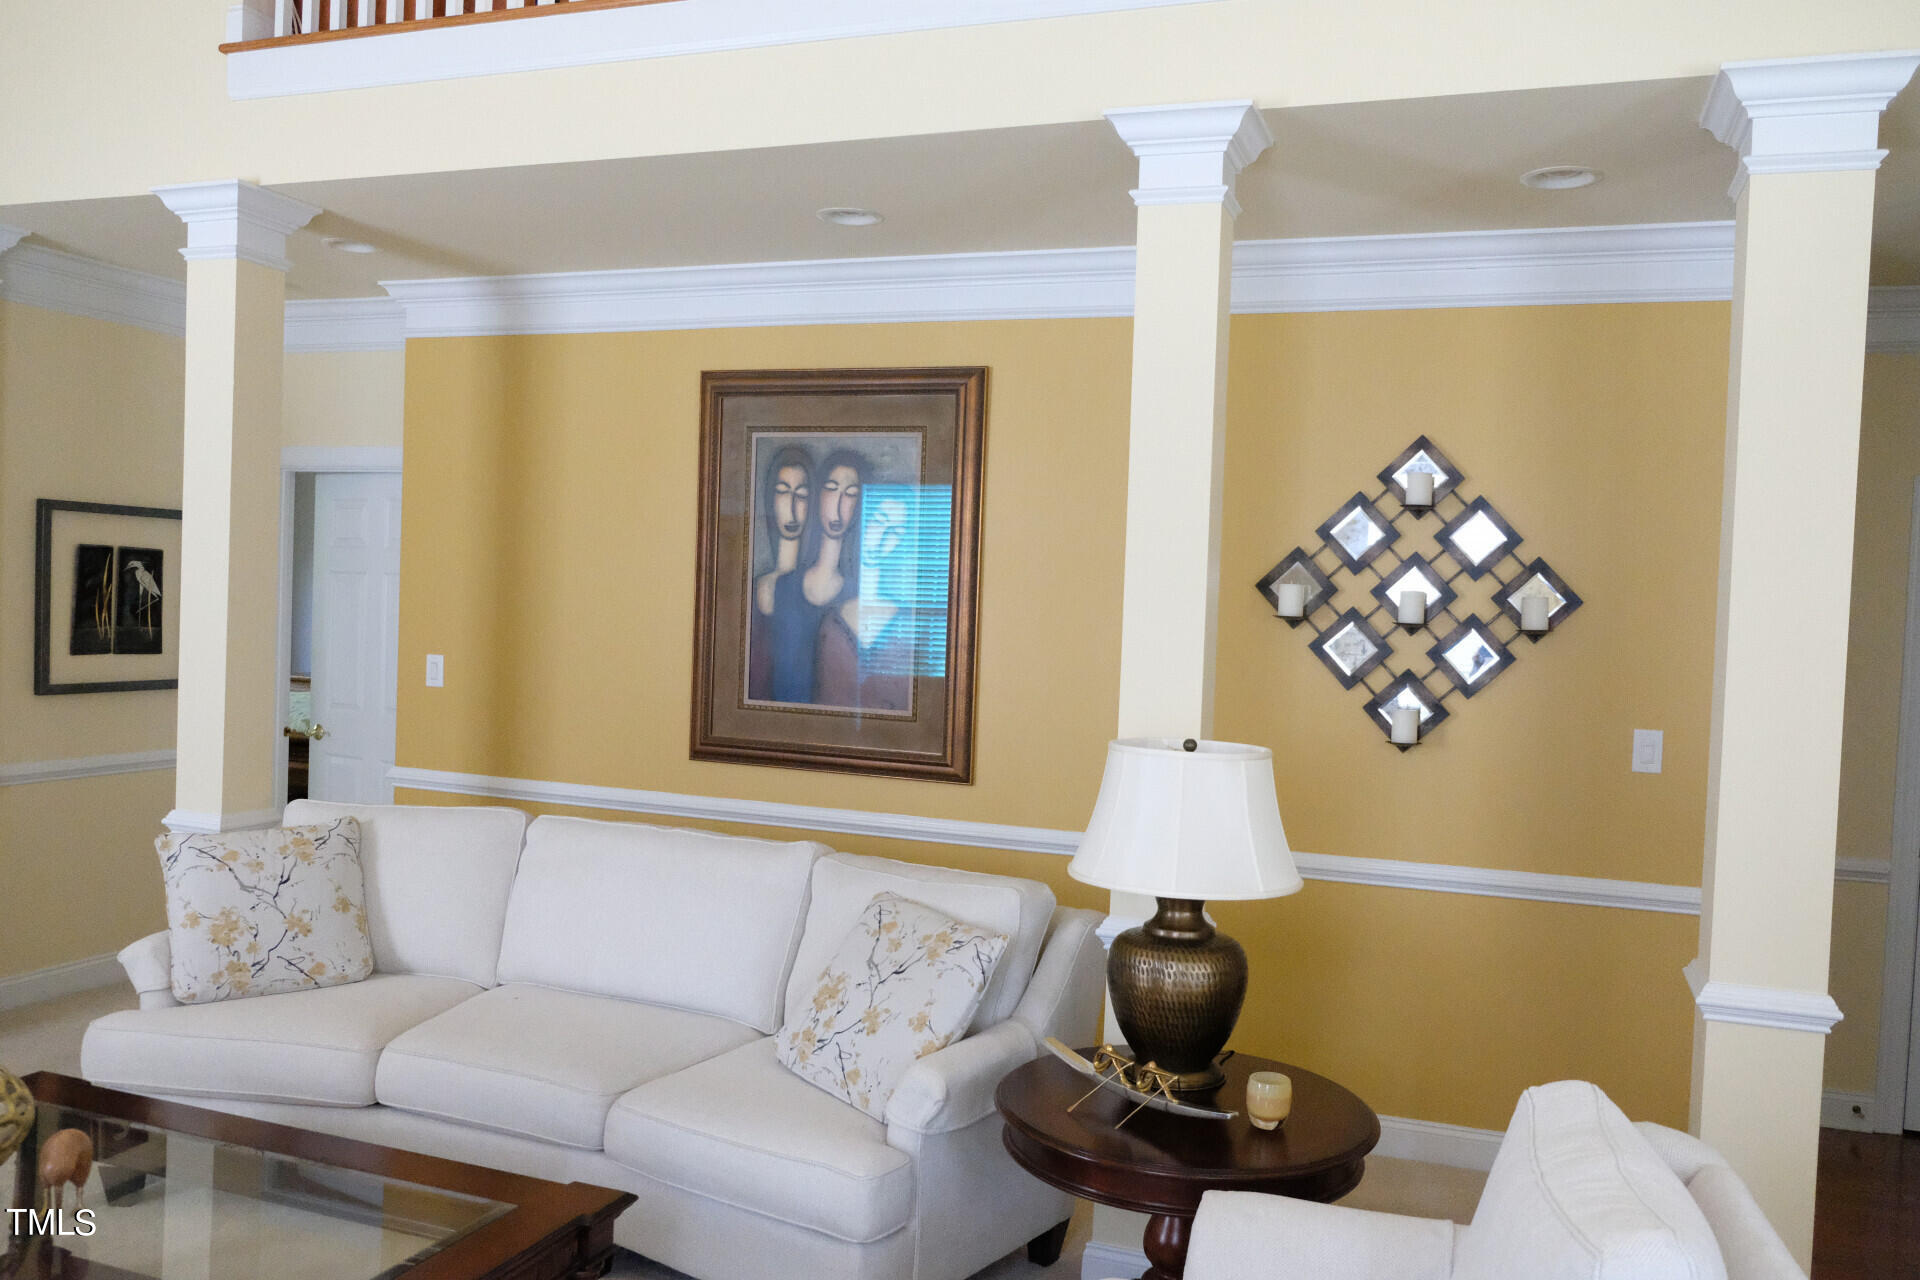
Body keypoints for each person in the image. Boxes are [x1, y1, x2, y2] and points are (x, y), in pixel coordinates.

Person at [747, 447, 819, 703]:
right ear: (770, 499)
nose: (791, 506)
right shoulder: (753, 588)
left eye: (801, 494)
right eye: (782, 492)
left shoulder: (815, 589)